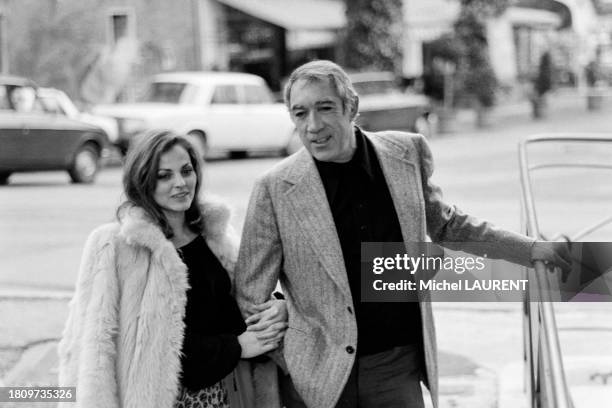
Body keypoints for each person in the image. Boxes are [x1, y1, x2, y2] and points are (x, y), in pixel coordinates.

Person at [234, 60, 571, 408]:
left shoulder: (406, 153)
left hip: (397, 366)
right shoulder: (274, 188)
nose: (313, 126)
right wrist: (295, 360)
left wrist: (530, 249)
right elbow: (249, 292)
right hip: (319, 378)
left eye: (325, 108)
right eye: (300, 114)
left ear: (352, 106)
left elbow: (448, 224)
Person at [58, 130, 286, 408]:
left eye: (186, 171)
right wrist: (236, 347)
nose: (180, 183)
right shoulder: (114, 245)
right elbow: (94, 345)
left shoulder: (216, 238)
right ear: (143, 180)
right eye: (164, 175)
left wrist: (278, 307)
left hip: (225, 395)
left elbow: (240, 307)